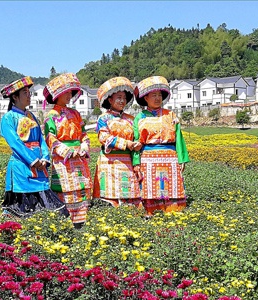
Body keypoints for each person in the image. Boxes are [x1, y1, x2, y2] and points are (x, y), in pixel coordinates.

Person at [0, 76, 69, 219]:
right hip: (22, 168)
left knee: (47, 203)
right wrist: (33, 160)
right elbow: (16, 143)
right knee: (23, 208)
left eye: (29, 92)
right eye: (25, 93)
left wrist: (44, 158)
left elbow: (41, 139)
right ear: (14, 97)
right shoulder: (8, 118)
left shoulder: (31, 116)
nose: (29, 95)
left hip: (40, 167)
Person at [132, 76, 189, 216]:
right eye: (154, 95)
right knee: (150, 187)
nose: (157, 98)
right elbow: (135, 141)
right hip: (148, 158)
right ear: (145, 98)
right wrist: (136, 162)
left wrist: (182, 158)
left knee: (171, 187)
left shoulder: (171, 115)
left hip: (170, 156)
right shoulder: (140, 117)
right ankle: (151, 213)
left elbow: (178, 138)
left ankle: (172, 213)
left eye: (159, 95)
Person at [43, 73, 92, 229]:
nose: (69, 96)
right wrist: (66, 150)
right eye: (66, 92)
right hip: (63, 160)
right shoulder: (51, 116)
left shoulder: (75, 114)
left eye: (71, 92)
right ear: (57, 94)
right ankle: (67, 223)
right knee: (66, 190)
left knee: (81, 188)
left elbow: (83, 134)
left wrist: (84, 146)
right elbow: (50, 137)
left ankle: (83, 222)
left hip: (79, 158)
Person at [93, 77, 142, 207]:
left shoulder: (131, 119)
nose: (122, 101)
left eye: (124, 98)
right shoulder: (103, 118)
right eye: (119, 97)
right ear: (110, 100)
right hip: (109, 162)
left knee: (129, 194)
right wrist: (126, 144)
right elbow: (104, 137)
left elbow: (136, 137)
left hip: (127, 161)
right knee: (110, 195)